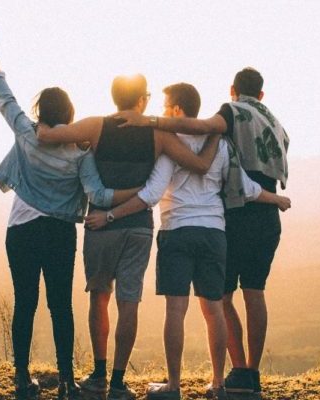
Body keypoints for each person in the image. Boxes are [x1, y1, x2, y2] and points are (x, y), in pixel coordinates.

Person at [86, 83, 290, 400]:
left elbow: (150, 195)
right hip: (214, 233)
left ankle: (173, 386)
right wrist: (274, 199)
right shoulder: (220, 144)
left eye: (167, 107)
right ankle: (219, 384)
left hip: (177, 231)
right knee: (214, 310)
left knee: (175, 310)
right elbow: (244, 187)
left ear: (178, 110)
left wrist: (110, 215)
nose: (164, 112)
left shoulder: (171, 146)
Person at [0, 27, 139, 400]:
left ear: (40, 111)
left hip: (21, 229)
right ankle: (66, 380)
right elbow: (97, 193)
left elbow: (5, 99)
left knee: (25, 302)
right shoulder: (80, 152)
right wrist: (140, 193)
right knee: (60, 305)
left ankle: (21, 378)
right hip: (60, 232)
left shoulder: (27, 133)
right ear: (69, 113)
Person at [37, 75, 220, 400]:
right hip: (138, 227)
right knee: (128, 301)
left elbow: (51, 135)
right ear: (142, 101)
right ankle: (119, 381)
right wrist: (217, 134)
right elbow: (198, 165)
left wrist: (42, 128)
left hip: (100, 225)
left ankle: (98, 374)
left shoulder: (95, 126)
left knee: (99, 297)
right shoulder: (158, 134)